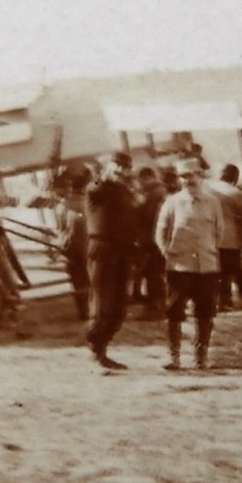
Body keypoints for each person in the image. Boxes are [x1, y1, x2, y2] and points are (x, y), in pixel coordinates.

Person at [154, 163, 224, 370]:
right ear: (179, 179)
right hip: (179, 267)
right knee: (174, 312)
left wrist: (209, 250)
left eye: (192, 175)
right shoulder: (172, 202)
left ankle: (201, 356)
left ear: (201, 176)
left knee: (205, 312)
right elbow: (161, 231)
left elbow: (219, 231)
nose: (189, 180)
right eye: (184, 176)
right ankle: (173, 356)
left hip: (207, 267)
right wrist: (168, 252)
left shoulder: (212, 202)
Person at [85, 153, 137, 371]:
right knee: (103, 302)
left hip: (122, 250)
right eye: (116, 166)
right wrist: (101, 173)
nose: (120, 171)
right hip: (103, 248)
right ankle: (96, 352)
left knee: (119, 306)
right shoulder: (98, 187)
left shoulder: (123, 191)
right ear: (107, 167)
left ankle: (102, 349)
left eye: (124, 167)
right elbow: (94, 186)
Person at [209, 164, 242, 309]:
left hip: (211, 237)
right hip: (230, 238)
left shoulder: (208, 189)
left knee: (217, 271)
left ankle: (222, 300)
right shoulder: (235, 193)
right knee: (236, 270)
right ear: (235, 178)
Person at [130, 166, 168, 318]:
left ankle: (155, 308)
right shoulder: (156, 193)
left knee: (153, 274)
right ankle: (159, 305)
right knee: (153, 274)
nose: (138, 184)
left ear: (146, 178)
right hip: (153, 239)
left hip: (152, 240)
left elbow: (149, 217)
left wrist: (136, 208)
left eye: (140, 180)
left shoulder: (155, 194)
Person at [57, 165, 92, 321]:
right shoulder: (91, 203)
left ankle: (83, 311)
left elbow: (60, 229)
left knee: (78, 280)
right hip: (91, 248)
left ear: (71, 187)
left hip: (71, 249)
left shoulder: (62, 206)